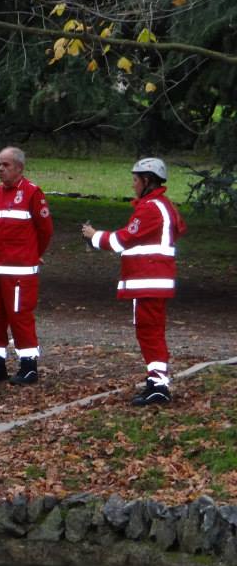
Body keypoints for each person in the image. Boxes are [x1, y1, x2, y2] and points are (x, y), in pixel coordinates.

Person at [81, 157, 186, 406]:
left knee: (149, 333)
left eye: (135, 180)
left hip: (148, 280)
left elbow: (123, 239)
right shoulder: (164, 205)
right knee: (151, 331)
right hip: (153, 280)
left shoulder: (151, 207)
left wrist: (94, 236)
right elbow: (177, 230)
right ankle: (156, 381)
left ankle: (159, 385)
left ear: (147, 181)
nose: (133, 185)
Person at [0, 147, 54, 386]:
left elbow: (45, 230)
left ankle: (29, 366)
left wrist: (33, 254)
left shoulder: (32, 193)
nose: (0, 169)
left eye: (6, 165)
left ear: (19, 168)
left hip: (20, 272)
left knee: (20, 317)